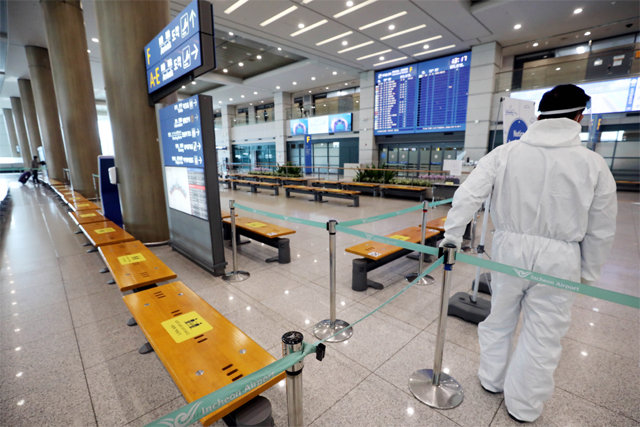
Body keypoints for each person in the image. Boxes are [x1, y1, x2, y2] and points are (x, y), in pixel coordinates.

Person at [442, 84, 617, 422]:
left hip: (509, 250)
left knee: (500, 318)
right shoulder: (593, 164)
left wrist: (451, 236)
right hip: (561, 259)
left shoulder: (505, 153)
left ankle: (491, 379)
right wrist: (588, 272)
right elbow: (602, 227)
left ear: (539, 116)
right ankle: (523, 406)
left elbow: (468, 195)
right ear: (580, 117)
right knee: (543, 334)